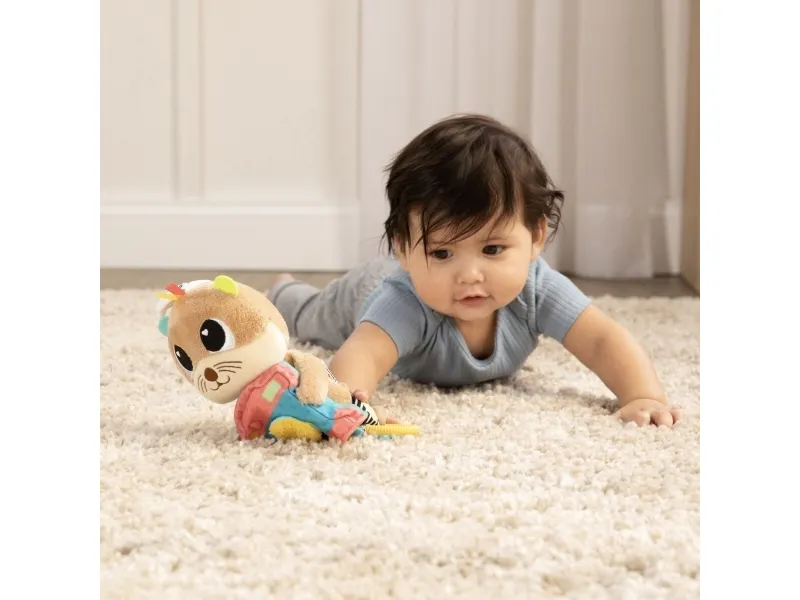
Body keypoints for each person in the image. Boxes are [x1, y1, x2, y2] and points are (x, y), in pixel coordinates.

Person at [268, 114, 680, 428]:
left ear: (536, 236)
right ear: (403, 249)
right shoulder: (404, 301)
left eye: (492, 249)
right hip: (362, 294)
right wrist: (347, 407)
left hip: (419, 274)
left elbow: (602, 339)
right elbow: (363, 354)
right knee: (308, 316)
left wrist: (642, 395)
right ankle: (284, 290)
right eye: (442, 253)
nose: (469, 274)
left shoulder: (538, 288)